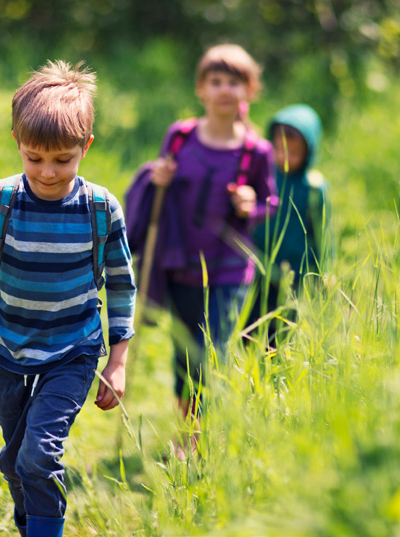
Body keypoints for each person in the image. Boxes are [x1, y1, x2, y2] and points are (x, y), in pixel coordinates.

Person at [0, 60, 135, 537]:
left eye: (63, 159)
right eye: (34, 157)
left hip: (73, 350)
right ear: (17, 143)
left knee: (39, 454)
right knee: (15, 460)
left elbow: (122, 283)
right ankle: (33, 524)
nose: (47, 171)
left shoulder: (100, 209)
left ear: (86, 147)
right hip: (9, 347)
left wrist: (118, 359)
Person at [125, 44, 277, 459]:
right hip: (179, 263)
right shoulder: (181, 136)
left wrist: (252, 204)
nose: (225, 89)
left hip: (229, 268)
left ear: (249, 90)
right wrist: (158, 177)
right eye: (216, 81)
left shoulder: (256, 151)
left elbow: (270, 203)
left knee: (214, 350)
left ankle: (200, 438)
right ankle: (187, 427)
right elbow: (158, 188)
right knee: (184, 352)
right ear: (201, 88)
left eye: (234, 82)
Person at [247, 103, 330, 345]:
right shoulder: (262, 175)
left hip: (294, 275)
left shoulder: (313, 188)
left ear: (309, 153)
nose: (285, 157)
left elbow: (323, 234)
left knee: (283, 334)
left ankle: (274, 374)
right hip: (256, 266)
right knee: (249, 329)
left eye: (294, 153)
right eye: (279, 149)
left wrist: (323, 271)